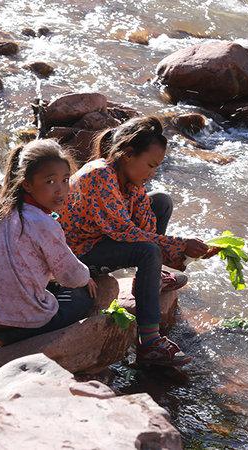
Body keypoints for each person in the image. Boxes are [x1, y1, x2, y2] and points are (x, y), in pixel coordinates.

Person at [60, 116, 217, 367]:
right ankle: (150, 343)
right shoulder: (100, 176)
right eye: (151, 165)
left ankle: (150, 280)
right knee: (147, 251)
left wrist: (184, 252)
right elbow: (125, 232)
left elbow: (145, 226)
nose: (152, 173)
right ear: (128, 154)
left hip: (103, 239)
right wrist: (179, 244)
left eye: (156, 167)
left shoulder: (128, 179)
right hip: (78, 255)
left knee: (161, 201)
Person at [0, 139, 98, 346]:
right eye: (50, 182)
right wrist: (86, 279)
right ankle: (20, 341)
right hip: (18, 327)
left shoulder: (1, 212)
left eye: (65, 180)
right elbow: (71, 275)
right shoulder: (42, 222)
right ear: (27, 184)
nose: (60, 190)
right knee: (83, 296)